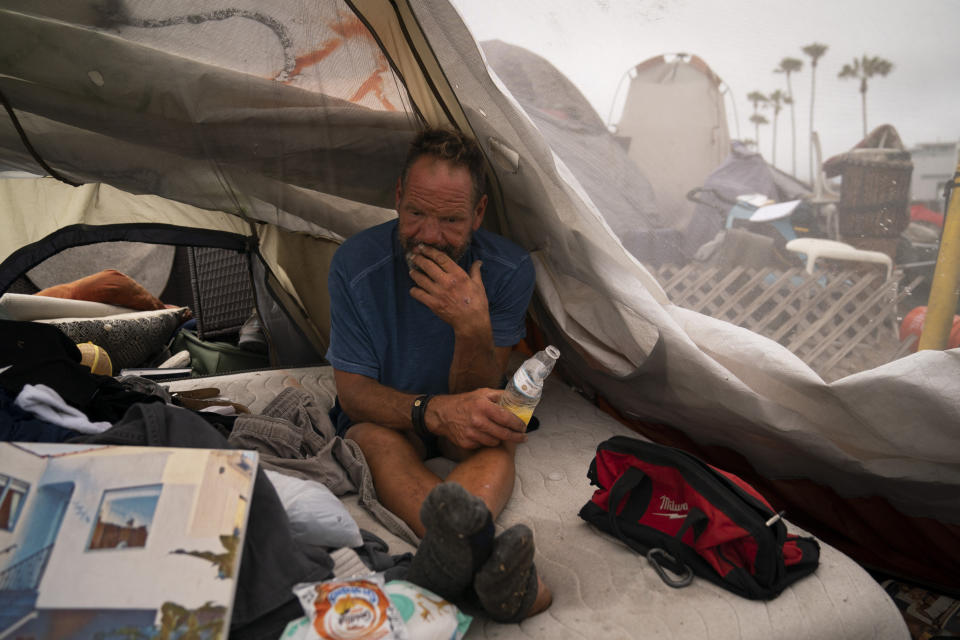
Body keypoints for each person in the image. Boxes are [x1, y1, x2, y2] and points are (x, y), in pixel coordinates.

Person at [325, 127, 551, 621]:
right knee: (373, 438)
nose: (430, 235)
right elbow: (355, 395)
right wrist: (431, 412)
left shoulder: (508, 269)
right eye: (417, 214)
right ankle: (483, 563)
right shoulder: (355, 265)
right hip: (389, 415)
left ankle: (452, 560)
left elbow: (480, 395)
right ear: (399, 198)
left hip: (463, 405)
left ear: (478, 213)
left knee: (496, 435)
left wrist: (472, 327)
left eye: (450, 220)